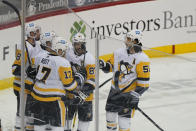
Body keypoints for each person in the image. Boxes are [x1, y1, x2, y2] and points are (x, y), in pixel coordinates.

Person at [30, 33, 87, 131]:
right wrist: (80, 77)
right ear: (59, 50)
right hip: (54, 101)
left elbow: (32, 71)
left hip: (37, 98)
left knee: (39, 127)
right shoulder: (63, 62)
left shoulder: (40, 56)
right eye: (64, 51)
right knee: (57, 128)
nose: (65, 53)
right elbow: (69, 85)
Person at [99, 30, 150, 131]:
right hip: (114, 91)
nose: (126, 41)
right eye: (127, 38)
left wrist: (135, 96)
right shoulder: (118, 52)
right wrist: (104, 65)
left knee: (124, 123)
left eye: (129, 39)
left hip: (128, 94)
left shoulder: (143, 59)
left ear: (136, 41)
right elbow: (110, 67)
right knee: (110, 118)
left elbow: (144, 83)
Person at [12, 22, 42, 131]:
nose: (37, 33)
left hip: (32, 86)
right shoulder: (23, 47)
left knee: (30, 113)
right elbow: (15, 69)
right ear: (29, 33)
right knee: (22, 113)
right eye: (34, 31)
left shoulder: (38, 45)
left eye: (37, 31)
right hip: (21, 87)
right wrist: (27, 72)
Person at [64, 33, 95, 131]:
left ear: (84, 44)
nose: (79, 46)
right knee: (65, 123)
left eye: (81, 44)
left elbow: (91, 81)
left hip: (85, 98)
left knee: (84, 123)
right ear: (73, 44)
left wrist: (83, 94)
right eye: (76, 44)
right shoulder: (68, 53)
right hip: (69, 94)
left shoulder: (89, 59)